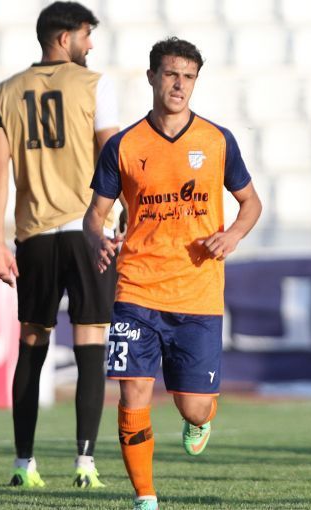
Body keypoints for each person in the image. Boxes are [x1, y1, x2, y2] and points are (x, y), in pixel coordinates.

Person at [84, 37, 262, 510]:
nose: (179, 84)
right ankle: (145, 497)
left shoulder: (218, 140)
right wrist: (97, 237)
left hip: (197, 293)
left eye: (188, 76)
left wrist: (233, 235)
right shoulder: (123, 145)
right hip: (136, 288)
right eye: (170, 74)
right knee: (133, 393)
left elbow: (250, 203)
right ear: (152, 77)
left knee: (195, 406)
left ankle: (198, 418)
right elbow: (94, 214)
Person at [0, 1, 119, 488]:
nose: (91, 44)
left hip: (35, 236)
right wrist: (120, 217)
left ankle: (24, 463)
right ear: (64, 38)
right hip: (87, 232)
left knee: (31, 343)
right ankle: (85, 464)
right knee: (90, 342)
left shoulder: (5, 91)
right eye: (86, 34)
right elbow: (113, 156)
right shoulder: (94, 84)